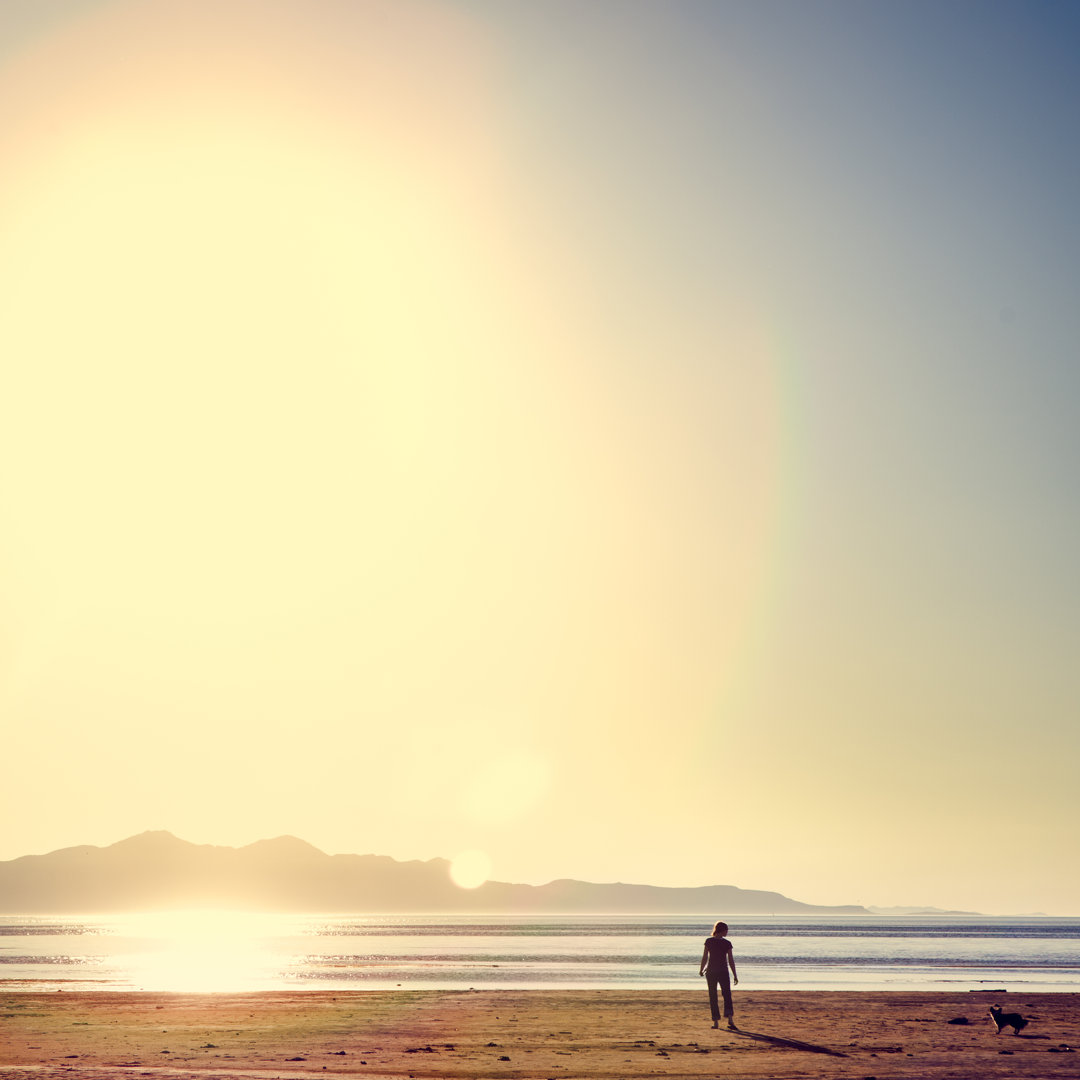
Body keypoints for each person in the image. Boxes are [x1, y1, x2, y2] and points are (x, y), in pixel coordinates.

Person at [699, 920, 738, 1029]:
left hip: (711, 971)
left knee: (713, 996)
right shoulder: (726, 943)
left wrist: (701, 969)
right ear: (722, 930)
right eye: (726, 930)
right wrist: (735, 974)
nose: (727, 932)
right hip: (722, 972)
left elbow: (705, 957)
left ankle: (716, 1021)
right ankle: (729, 1019)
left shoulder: (709, 941)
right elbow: (730, 960)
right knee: (727, 995)